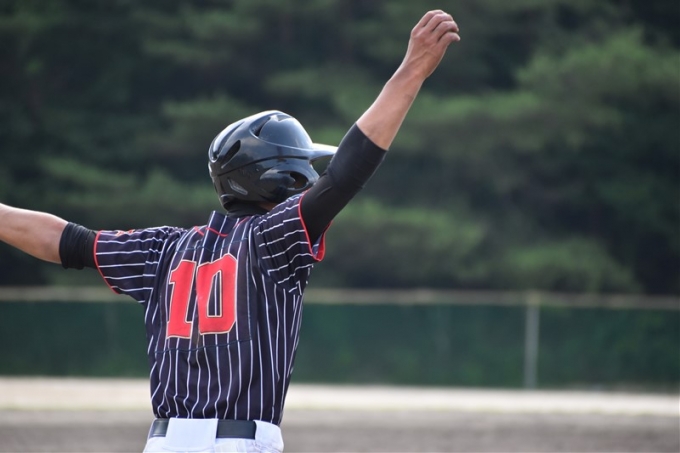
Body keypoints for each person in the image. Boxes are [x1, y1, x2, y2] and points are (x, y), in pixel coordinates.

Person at [0, 9, 459, 453]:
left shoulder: (163, 249)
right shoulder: (271, 240)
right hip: (238, 441)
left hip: (162, 443)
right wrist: (411, 71)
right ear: (285, 176)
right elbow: (345, 174)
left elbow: (66, 241)